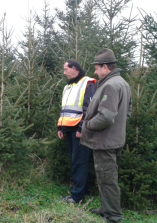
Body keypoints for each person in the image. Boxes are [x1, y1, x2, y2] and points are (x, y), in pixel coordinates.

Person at [80, 48, 132, 223]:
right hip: (114, 140)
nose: (94, 71)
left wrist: (87, 125)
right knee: (105, 176)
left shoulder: (110, 85)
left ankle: (113, 217)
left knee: (108, 180)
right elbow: (128, 112)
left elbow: (106, 116)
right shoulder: (122, 83)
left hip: (105, 142)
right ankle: (105, 209)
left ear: (105, 67)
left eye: (96, 68)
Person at [57, 59, 96, 204]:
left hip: (80, 130)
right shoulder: (68, 87)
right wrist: (61, 127)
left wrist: (82, 128)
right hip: (68, 128)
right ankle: (81, 190)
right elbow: (65, 109)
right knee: (75, 161)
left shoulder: (88, 83)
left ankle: (77, 197)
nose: (64, 72)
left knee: (80, 162)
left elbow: (90, 108)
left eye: (66, 69)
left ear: (75, 69)